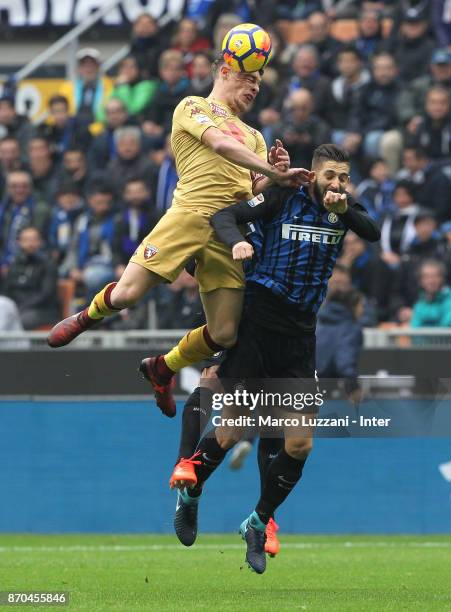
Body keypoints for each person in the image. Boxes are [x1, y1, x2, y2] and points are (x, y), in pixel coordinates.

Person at [47, 49, 310, 419]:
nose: (255, 87)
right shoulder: (192, 105)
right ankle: (87, 316)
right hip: (188, 216)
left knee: (223, 334)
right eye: (248, 77)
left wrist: (272, 174)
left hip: (228, 230)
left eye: (259, 82)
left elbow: (254, 192)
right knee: (126, 294)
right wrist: (271, 170)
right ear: (223, 71)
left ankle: (162, 367)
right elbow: (219, 144)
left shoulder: (254, 136)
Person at [167, 144, 380, 573]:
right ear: (315, 174)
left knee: (299, 443)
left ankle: (258, 521)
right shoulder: (285, 196)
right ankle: (189, 492)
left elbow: (371, 231)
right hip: (258, 322)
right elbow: (223, 216)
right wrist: (239, 243)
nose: (337, 184)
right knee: (231, 428)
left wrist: (341, 210)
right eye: (331, 176)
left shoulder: (343, 209)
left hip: (301, 336)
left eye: (343, 177)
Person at [3, 227, 60, 329]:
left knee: (22, 319)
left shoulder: (48, 264)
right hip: (18, 307)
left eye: (34, 240)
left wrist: (20, 307)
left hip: (43, 310)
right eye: (26, 240)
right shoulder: (14, 264)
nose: (30, 244)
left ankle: (19, 345)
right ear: (19, 242)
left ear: (40, 242)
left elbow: (46, 295)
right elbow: (7, 290)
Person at [410, 259, 451, 327]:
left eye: (435, 276)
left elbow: (445, 329)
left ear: (442, 279)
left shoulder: (449, 300)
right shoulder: (419, 304)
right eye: (426, 277)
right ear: (420, 281)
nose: (431, 281)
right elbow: (415, 330)